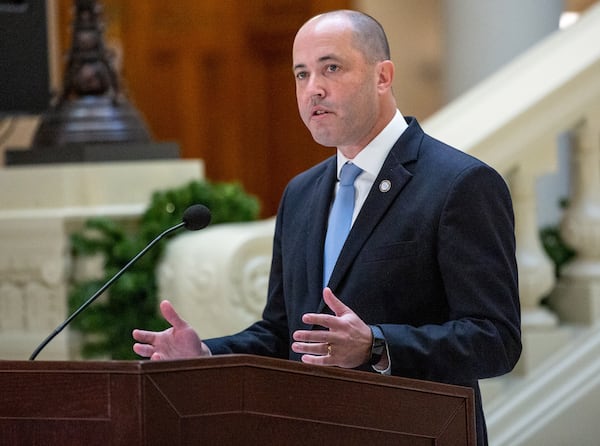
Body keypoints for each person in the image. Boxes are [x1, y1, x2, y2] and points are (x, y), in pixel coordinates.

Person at [133, 9, 521, 445]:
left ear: (383, 76)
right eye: (301, 74)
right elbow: (285, 333)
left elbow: (496, 339)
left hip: (418, 432)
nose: (312, 88)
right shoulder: (301, 193)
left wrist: (376, 344)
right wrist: (206, 353)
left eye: (331, 68)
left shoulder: (459, 184)